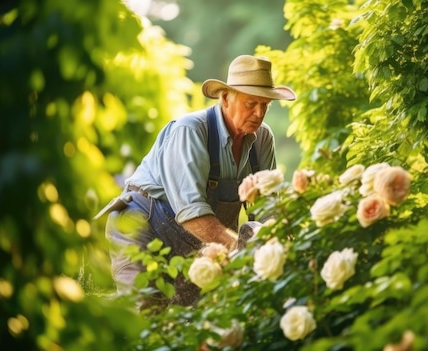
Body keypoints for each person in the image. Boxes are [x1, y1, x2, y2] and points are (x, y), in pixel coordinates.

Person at [95, 55, 296, 309]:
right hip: (142, 227)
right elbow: (191, 214)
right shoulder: (190, 131)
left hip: (200, 240)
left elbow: (267, 210)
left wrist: (272, 247)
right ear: (225, 98)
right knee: (144, 316)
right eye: (251, 103)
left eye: (265, 104)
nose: (259, 113)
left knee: (200, 322)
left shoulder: (262, 138)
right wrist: (241, 250)